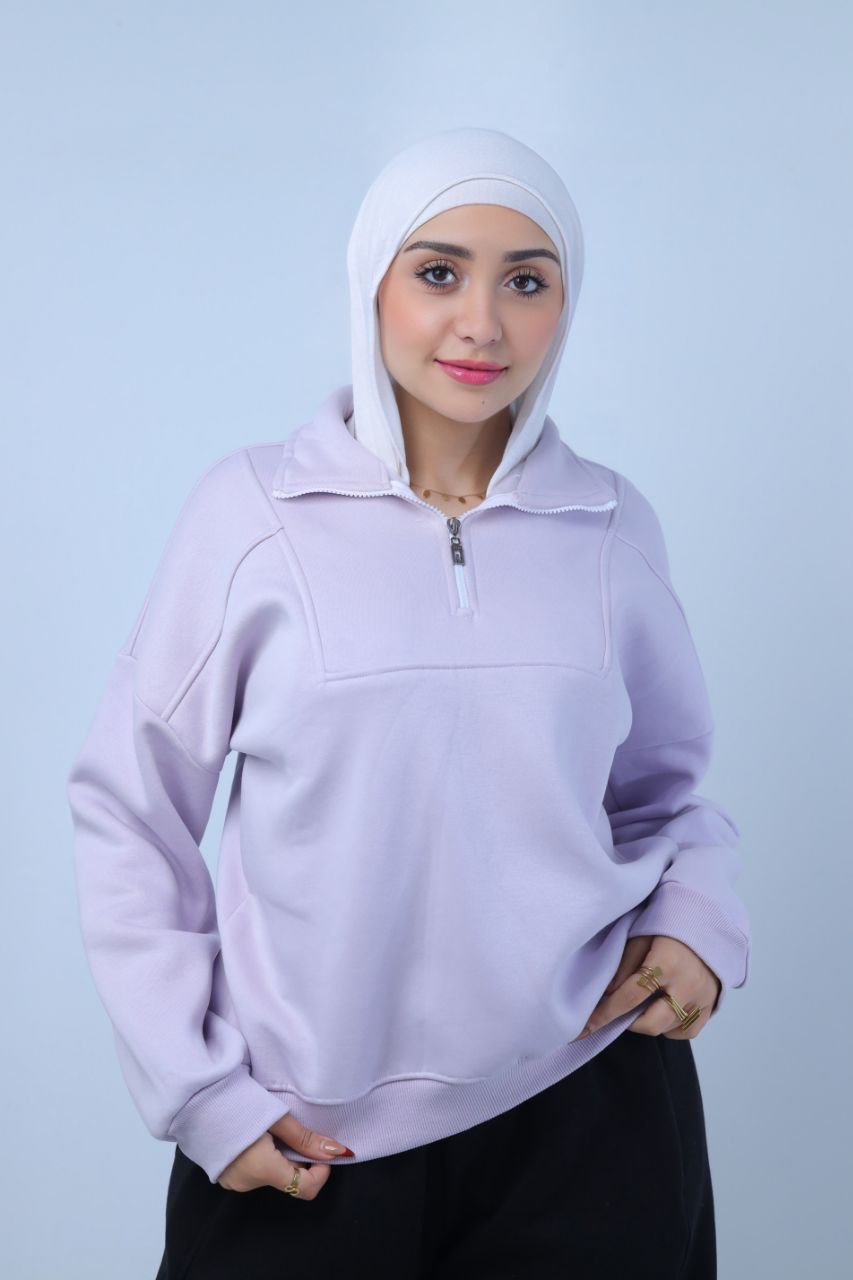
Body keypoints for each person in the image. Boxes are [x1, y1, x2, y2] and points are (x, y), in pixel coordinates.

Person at [66, 126, 751, 1278]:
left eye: (525, 281)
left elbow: (664, 795)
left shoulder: (610, 526)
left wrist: (697, 922)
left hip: (590, 1107)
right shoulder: (251, 516)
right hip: (305, 1133)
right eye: (438, 272)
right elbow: (130, 811)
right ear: (371, 281)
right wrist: (200, 1090)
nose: (481, 323)